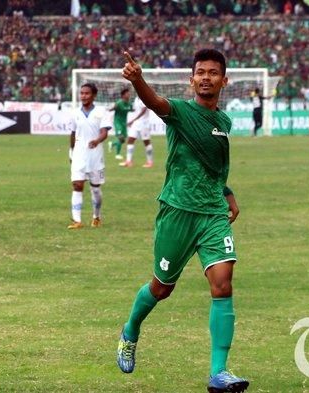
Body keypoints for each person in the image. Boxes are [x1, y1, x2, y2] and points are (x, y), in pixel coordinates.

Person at [117, 49, 249, 393]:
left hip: (212, 215)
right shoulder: (180, 111)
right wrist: (138, 80)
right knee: (162, 288)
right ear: (192, 79)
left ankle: (219, 373)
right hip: (177, 211)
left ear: (224, 80)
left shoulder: (224, 122)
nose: (206, 77)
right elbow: (156, 103)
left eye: (213, 72)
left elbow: (215, 168)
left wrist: (228, 193)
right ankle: (131, 329)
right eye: (200, 72)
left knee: (223, 283)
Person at [67, 83, 111, 229]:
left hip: (95, 156)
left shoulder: (101, 112)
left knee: (95, 188)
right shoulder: (74, 113)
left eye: (87, 93)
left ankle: (96, 216)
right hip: (79, 155)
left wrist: (97, 140)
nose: (83, 96)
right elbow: (72, 134)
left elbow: (104, 132)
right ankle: (77, 220)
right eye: (82, 93)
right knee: (77, 185)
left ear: (94, 95)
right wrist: (71, 152)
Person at [119, 95, 154, 168]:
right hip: (136, 123)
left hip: (144, 124)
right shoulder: (136, 98)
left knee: (146, 142)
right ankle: (129, 161)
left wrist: (133, 120)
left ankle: (150, 162)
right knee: (130, 140)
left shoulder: (144, 97)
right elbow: (135, 110)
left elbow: (144, 110)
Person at [106, 87, 133, 160]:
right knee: (120, 137)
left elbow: (132, 110)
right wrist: (109, 109)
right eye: (127, 93)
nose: (129, 94)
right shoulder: (119, 103)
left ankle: (112, 144)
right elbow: (112, 109)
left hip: (124, 123)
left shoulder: (129, 103)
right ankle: (117, 154)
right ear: (123, 95)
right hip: (117, 122)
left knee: (123, 140)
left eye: (129, 93)